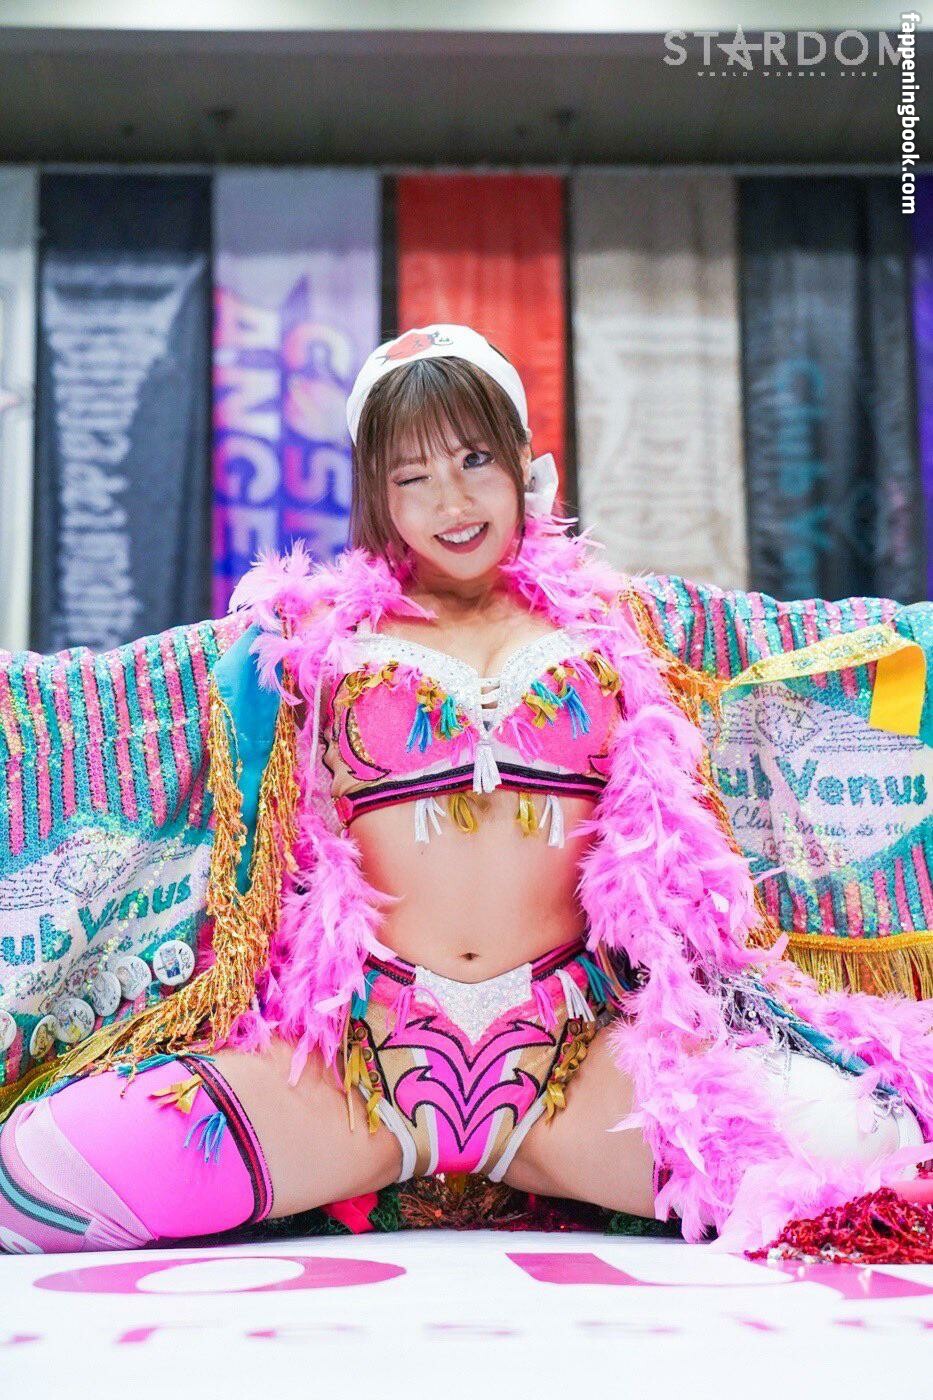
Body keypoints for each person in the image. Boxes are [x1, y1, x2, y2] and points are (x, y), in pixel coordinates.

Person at [1, 323, 932, 1259]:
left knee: (874, 1140)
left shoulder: (626, 622)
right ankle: (382, 1163)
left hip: (579, 1072)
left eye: (474, 459)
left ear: (525, 460)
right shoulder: (301, 639)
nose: (450, 501)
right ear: (376, 494)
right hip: (353, 1073)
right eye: (411, 477)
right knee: (38, 1171)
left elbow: (808, 647)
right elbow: (105, 715)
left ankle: (534, 1165)